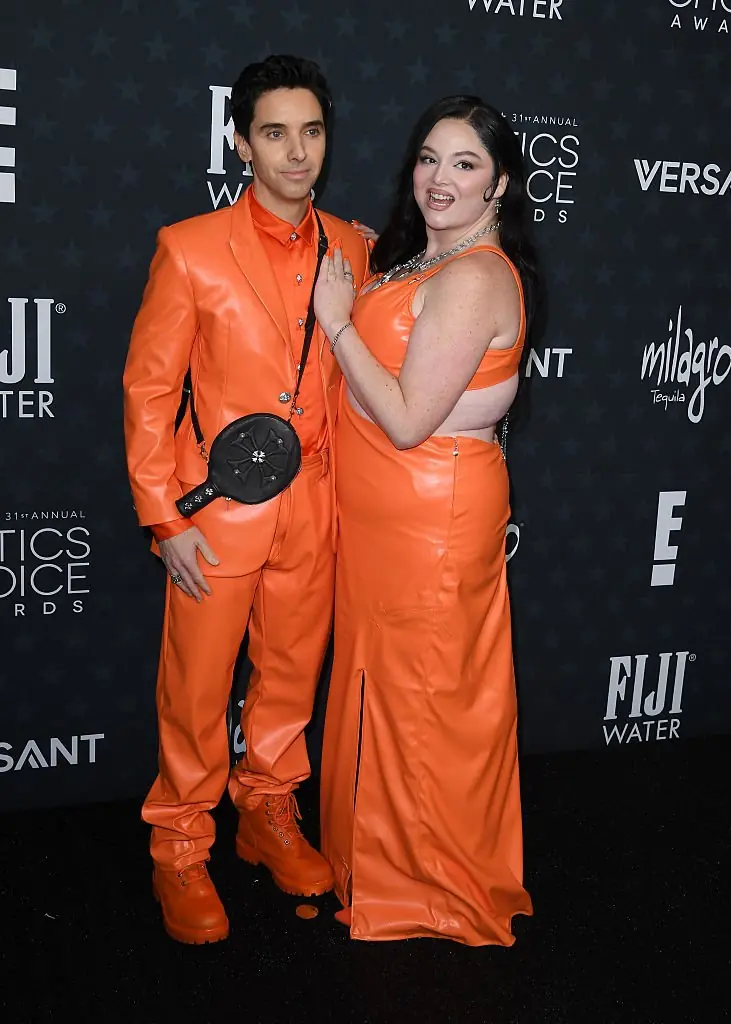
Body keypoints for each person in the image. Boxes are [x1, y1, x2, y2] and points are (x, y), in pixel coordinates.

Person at [123, 55, 369, 944]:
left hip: (317, 504)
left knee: (291, 676)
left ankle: (267, 810)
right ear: (240, 142)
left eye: (311, 132)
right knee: (195, 692)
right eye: (274, 133)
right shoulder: (189, 248)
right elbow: (150, 391)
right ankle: (180, 847)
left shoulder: (355, 247)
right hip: (216, 513)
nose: (296, 152)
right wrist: (164, 517)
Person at [313, 95, 539, 946]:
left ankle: (425, 883)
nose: (439, 179)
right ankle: (377, 863)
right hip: (388, 517)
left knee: (422, 695)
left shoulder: (474, 277)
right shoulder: (425, 259)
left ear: (499, 184)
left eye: (465, 164)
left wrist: (337, 323)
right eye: (428, 158)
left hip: (430, 517)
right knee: (389, 682)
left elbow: (408, 419)